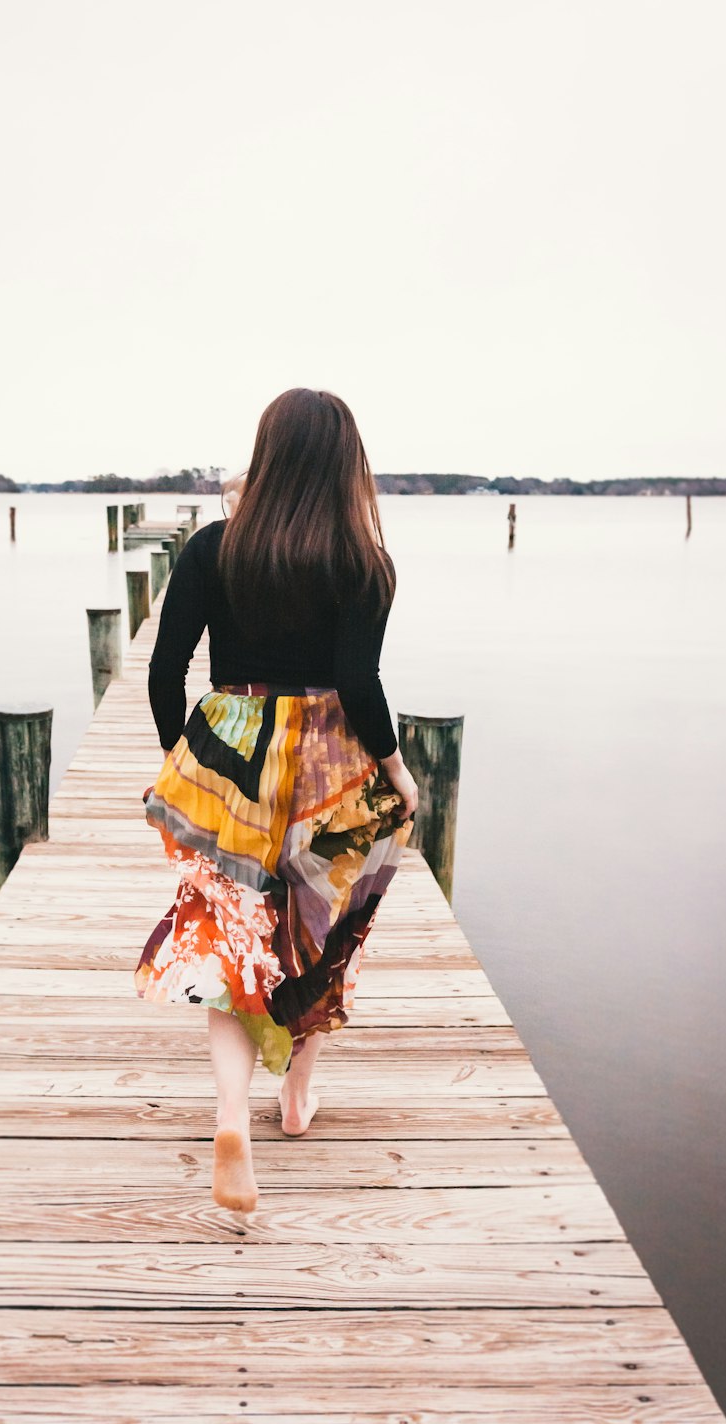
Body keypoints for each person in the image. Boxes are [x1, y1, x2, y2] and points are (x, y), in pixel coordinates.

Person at [135, 387, 418, 1212]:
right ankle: (295, 1101)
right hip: (333, 761)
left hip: (234, 754)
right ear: (345, 466)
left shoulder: (212, 549)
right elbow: (360, 684)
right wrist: (398, 772)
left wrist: (185, 762)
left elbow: (164, 672)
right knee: (321, 931)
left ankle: (232, 1115)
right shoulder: (363, 561)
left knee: (228, 938)